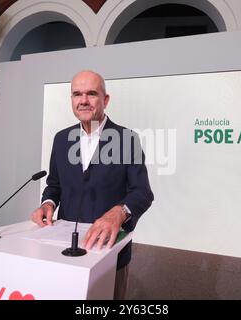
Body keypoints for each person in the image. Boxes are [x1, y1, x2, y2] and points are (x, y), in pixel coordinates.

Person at [31, 70, 154, 299]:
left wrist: (119, 212)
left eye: (91, 94)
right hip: (64, 247)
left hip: (108, 251)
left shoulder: (127, 139)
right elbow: (54, 184)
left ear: (105, 100)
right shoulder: (61, 138)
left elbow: (142, 192)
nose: (83, 101)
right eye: (77, 94)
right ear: (71, 100)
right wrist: (48, 203)